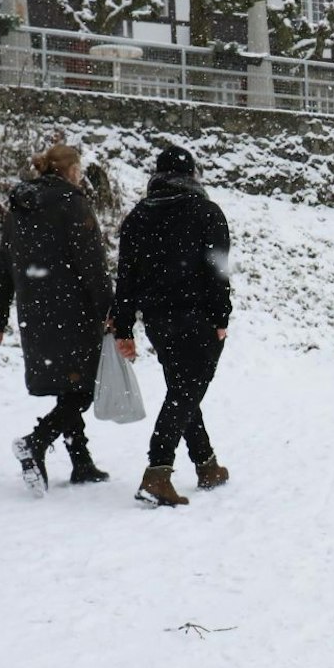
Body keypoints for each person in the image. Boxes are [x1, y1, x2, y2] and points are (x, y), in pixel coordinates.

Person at [0, 143, 114, 491]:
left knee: (68, 384)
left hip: (36, 312)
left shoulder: (20, 207)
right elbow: (93, 264)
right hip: (73, 310)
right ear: (70, 170)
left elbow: (3, 265)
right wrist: (110, 310)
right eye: (78, 169)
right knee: (82, 388)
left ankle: (81, 461)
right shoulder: (73, 203)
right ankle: (36, 442)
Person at [111, 145, 233, 508]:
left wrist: (124, 326)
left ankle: (206, 464)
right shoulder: (206, 212)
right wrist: (221, 317)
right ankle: (157, 472)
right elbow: (217, 270)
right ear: (192, 174)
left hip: (158, 321)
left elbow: (126, 278)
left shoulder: (138, 217)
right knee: (185, 392)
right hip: (198, 318)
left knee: (183, 389)